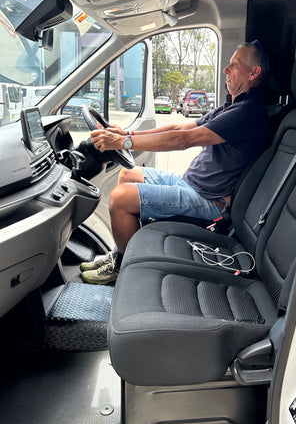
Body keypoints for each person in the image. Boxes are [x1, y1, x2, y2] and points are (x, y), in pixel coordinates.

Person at [80, 40, 270, 284]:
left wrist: (123, 142)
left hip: (210, 202)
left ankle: (121, 267)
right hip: (191, 184)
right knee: (128, 174)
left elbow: (182, 140)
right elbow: (180, 127)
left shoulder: (247, 113)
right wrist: (127, 134)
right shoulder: (232, 107)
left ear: (254, 73)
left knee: (119, 198)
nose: (226, 69)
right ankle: (120, 253)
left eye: (234, 65)